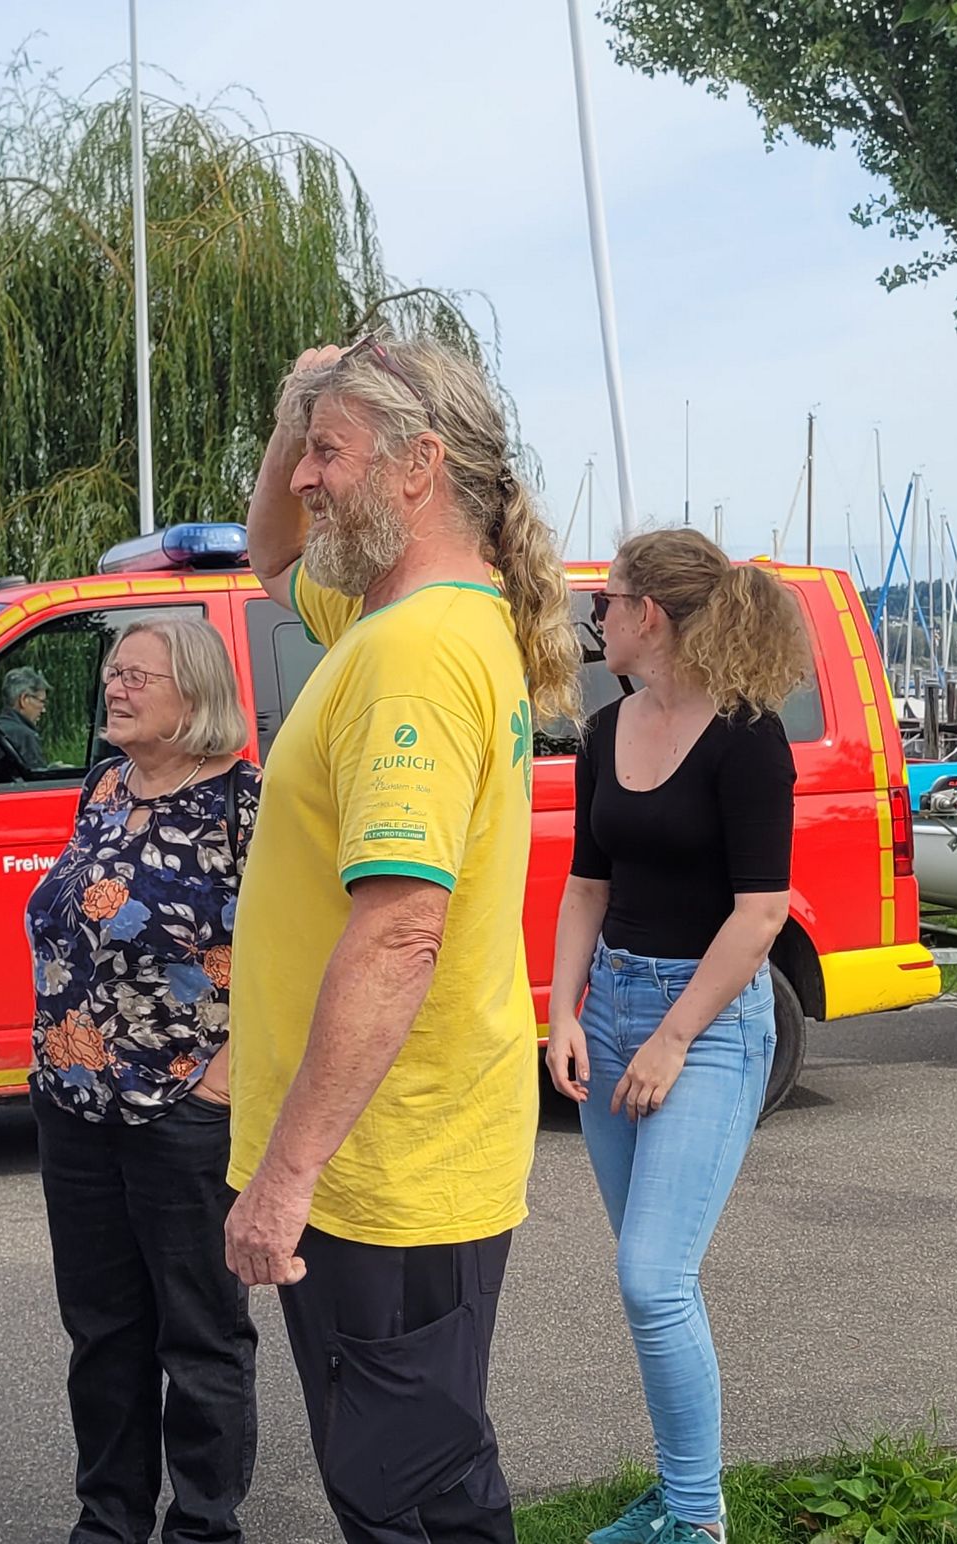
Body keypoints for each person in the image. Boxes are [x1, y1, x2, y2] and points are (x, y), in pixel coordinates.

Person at [226, 335, 581, 1544]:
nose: (304, 474)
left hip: (388, 1166)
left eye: (328, 451)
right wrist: (300, 401)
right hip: (396, 1149)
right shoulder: (401, 614)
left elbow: (398, 933)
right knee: (417, 1482)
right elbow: (271, 552)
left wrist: (284, 1179)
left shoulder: (409, 652)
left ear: (417, 465)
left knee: (409, 1502)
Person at [544, 528, 809, 1544]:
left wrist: (672, 1040)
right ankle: (676, 1491)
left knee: (653, 1278)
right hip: (610, 1006)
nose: (595, 622)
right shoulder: (605, 729)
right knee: (649, 1283)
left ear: (647, 613)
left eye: (603, 603)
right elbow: (585, 886)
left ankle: (697, 1519)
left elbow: (761, 912)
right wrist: (563, 1013)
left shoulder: (748, 738)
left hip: (705, 1026)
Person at [25, 615, 264, 1544]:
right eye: (113, 673)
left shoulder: (243, 802)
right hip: (74, 1101)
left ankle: (203, 1526)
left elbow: (286, 952)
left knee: (199, 1333)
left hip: (181, 1105)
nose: (113, 687)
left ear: (194, 693)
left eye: (137, 676)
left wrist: (223, 1078)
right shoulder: (103, 787)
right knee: (101, 1330)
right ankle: (109, 1521)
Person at [0, 664, 54, 771]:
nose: (43, 710)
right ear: (24, 699)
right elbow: (38, 778)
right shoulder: (25, 737)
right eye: (41, 702)